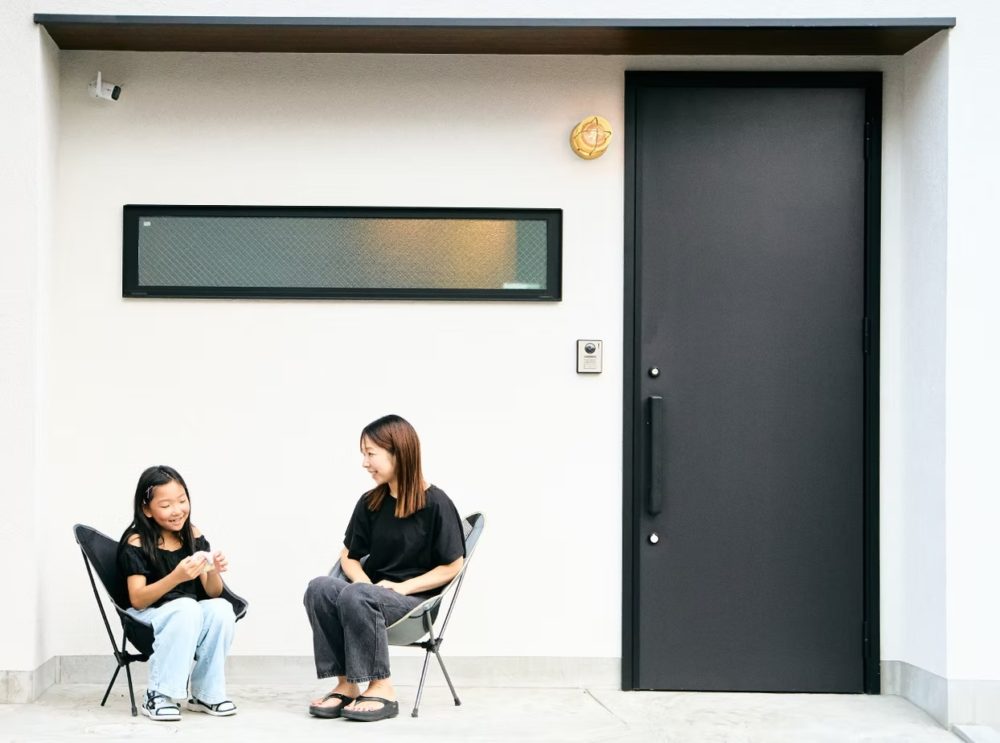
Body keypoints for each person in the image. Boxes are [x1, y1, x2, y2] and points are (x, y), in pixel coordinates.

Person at [303, 414, 466, 722]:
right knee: (319, 587)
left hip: (413, 604)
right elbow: (348, 556)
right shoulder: (371, 502)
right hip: (369, 596)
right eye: (363, 454)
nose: (365, 463)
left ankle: (382, 687)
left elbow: (453, 566)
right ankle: (347, 684)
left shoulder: (436, 504)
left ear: (398, 453)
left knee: (357, 595)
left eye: (371, 453)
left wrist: (402, 587)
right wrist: (363, 583)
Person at [117, 465, 237, 721]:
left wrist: (213, 570)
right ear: (147, 509)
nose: (177, 510)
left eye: (182, 501)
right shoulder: (137, 542)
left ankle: (206, 694)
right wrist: (177, 577)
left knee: (221, 609)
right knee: (186, 607)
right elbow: (137, 600)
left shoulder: (192, 535)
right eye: (166, 505)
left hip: (187, 616)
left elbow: (213, 592)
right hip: (147, 618)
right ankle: (158, 694)